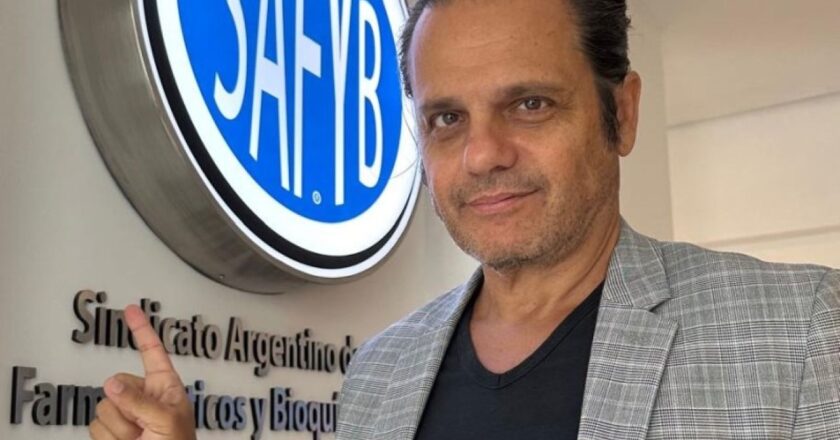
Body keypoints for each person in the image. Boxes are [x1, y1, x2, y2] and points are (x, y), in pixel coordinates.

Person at [90, 0, 839, 439]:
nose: (482, 155)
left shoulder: (805, 330)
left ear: (623, 112)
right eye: (447, 118)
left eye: (530, 104)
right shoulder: (379, 373)